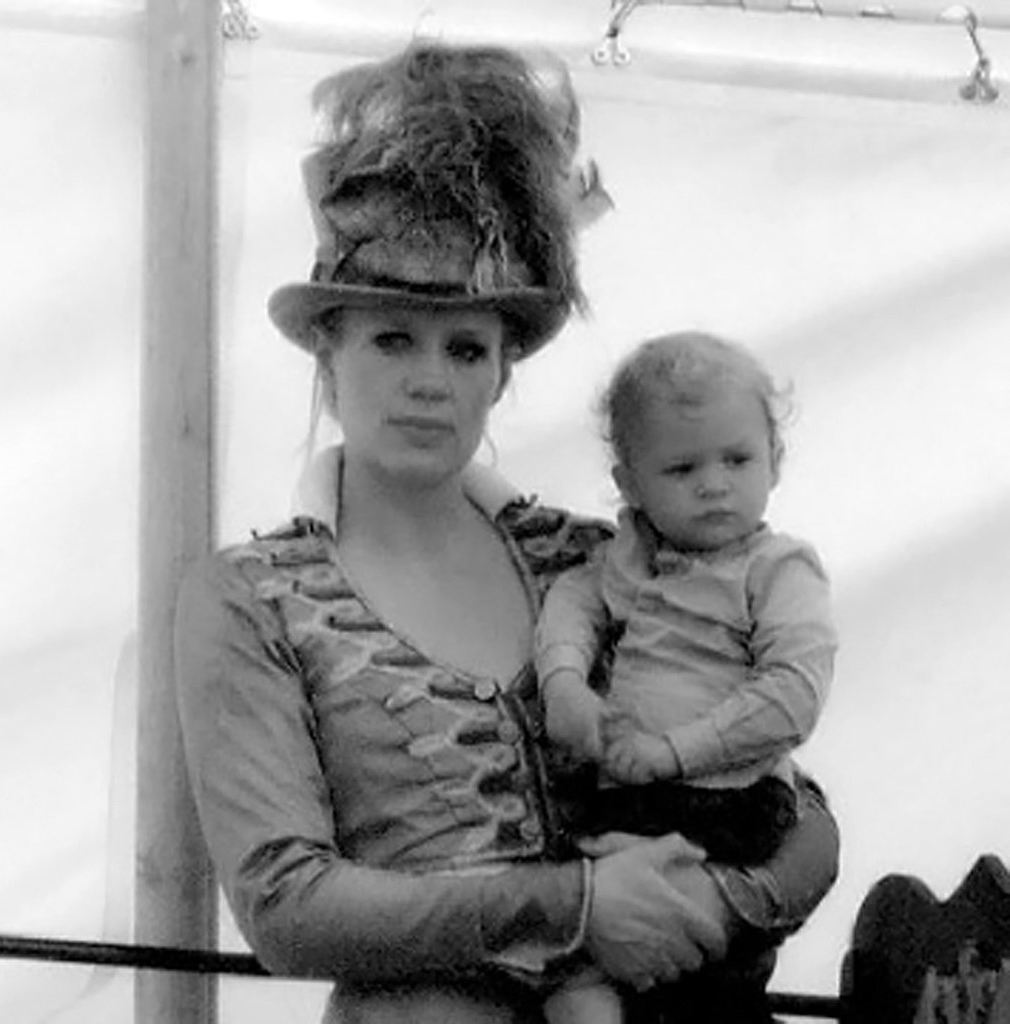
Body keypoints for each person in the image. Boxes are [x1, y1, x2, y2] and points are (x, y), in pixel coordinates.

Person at [173, 41, 840, 1024]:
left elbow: (796, 805)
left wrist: (726, 899)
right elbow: (287, 904)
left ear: (502, 370)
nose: (430, 379)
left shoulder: (591, 559)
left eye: (466, 346)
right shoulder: (252, 595)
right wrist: (577, 908)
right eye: (392, 337)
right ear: (329, 352)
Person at [535, 331, 838, 1023]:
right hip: (634, 796)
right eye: (681, 469)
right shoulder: (628, 559)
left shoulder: (776, 570)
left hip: (728, 795)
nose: (714, 484)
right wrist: (565, 685)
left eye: (738, 459)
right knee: (587, 942)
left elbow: (792, 695)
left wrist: (674, 752)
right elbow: (573, 603)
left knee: (683, 959)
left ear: (775, 461)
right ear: (629, 484)